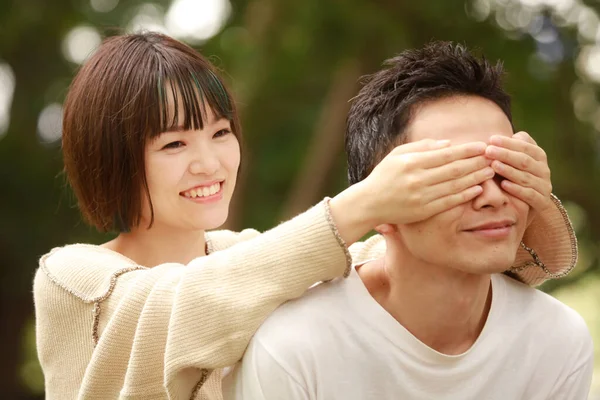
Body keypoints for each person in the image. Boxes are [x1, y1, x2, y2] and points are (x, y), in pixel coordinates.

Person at [32, 33, 520, 400]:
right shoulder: (73, 278)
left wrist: (517, 193)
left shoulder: (246, 255)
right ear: (110, 156)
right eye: (175, 143)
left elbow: (434, 268)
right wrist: (361, 205)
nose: (210, 162)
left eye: (221, 133)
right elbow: (188, 307)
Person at [223, 42, 592, 400]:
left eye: (507, 171)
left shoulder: (555, 341)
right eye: (456, 176)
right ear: (380, 199)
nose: (493, 197)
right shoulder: (295, 348)